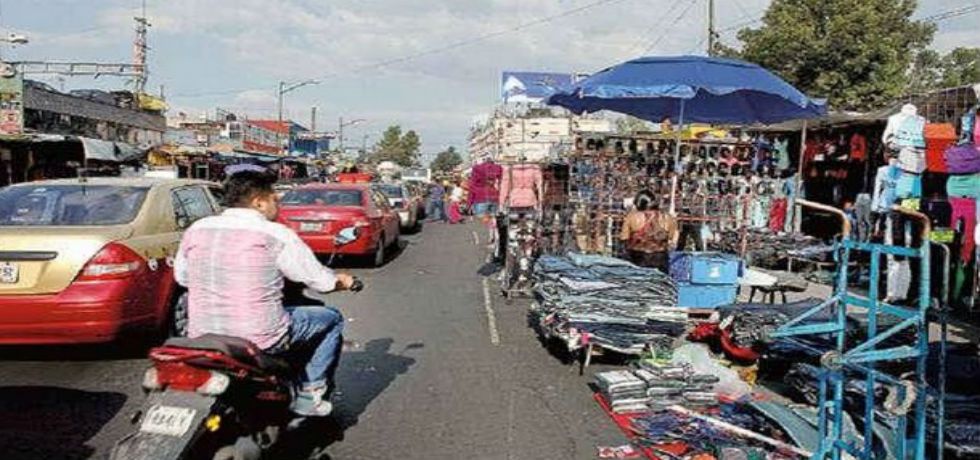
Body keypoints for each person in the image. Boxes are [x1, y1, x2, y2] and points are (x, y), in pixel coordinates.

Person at [174, 170, 356, 417]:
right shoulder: (275, 233)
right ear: (259, 202)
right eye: (274, 200)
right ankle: (309, 395)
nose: (276, 207)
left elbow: (183, 278)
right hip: (260, 337)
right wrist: (342, 281)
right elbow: (319, 280)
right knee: (331, 318)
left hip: (201, 335)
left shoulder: (196, 229)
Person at [619, 190, 678, 272]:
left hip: (638, 258)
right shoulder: (668, 218)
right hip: (660, 259)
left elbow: (623, 239)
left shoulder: (632, 217)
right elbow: (671, 237)